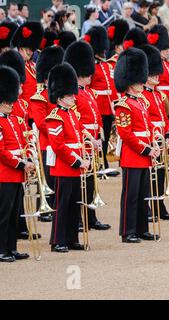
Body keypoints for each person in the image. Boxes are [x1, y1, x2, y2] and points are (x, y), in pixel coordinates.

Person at [64, 40, 112, 231]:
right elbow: (75, 121)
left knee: (91, 182)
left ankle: (90, 217)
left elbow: (97, 116)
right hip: (82, 142)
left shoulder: (89, 92)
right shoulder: (74, 94)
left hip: (92, 141)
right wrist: (88, 138)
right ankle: (77, 220)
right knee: (80, 184)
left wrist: (99, 136)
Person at [114, 47, 160, 243]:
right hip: (133, 155)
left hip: (145, 153)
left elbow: (148, 124)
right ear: (130, 82)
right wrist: (146, 148)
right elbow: (126, 133)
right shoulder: (123, 105)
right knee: (130, 196)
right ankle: (128, 231)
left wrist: (156, 137)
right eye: (139, 79)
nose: (143, 82)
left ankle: (141, 228)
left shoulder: (140, 102)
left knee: (143, 194)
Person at [46, 63, 90, 253]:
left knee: (74, 205)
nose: (74, 97)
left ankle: (72, 238)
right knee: (62, 205)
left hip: (76, 164)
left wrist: (87, 150)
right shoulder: (55, 117)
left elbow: (79, 136)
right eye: (70, 95)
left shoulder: (72, 114)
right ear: (60, 96)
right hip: (65, 166)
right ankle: (58, 240)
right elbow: (58, 145)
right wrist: (77, 160)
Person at [140, 44, 169, 221]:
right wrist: (154, 138)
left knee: (161, 173)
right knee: (149, 175)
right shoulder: (141, 96)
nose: (156, 77)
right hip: (150, 139)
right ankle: (147, 207)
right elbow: (144, 120)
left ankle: (159, 205)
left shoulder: (158, 95)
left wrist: (168, 134)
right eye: (152, 74)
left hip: (161, 137)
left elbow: (164, 118)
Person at [0, 66, 33, 262]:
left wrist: (28, 159)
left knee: (14, 214)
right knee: (3, 214)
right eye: (7, 102)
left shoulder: (15, 120)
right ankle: (1, 249)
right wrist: (21, 164)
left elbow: (25, 142)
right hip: (5, 173)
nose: (11, 104)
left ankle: (11, 247)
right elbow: (2, 152)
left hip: (18, 172)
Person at [29, 46, 65, 224]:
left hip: (59, 141)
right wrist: (58, 133)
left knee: (57, 177)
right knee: (46, 177)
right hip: (47, 143)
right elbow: (42, 122)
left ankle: (54, 206)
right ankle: (44, 208)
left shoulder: (57, 95)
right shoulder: (40, 97)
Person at [85, 26, 118, 175]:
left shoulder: (105, 64)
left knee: (105, 135)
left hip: (108, 104)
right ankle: (98, 163)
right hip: (97, 103)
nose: (104, 52)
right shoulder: (91, 64)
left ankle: (104, 160)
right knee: (98, 135)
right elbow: (89, 86)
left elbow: (111, 85)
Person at [148, 25, 169, 133]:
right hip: (161, 100)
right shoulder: (155, 64)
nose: (167, 52)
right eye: (164, 49)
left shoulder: (168, 64)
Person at [11, 21, 44, 117]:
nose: (30, 52)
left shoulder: (32, 65)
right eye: (27, 49)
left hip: (36, 113)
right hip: (25, 114)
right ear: (20, 48)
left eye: (31, 49)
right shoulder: (15, 66)